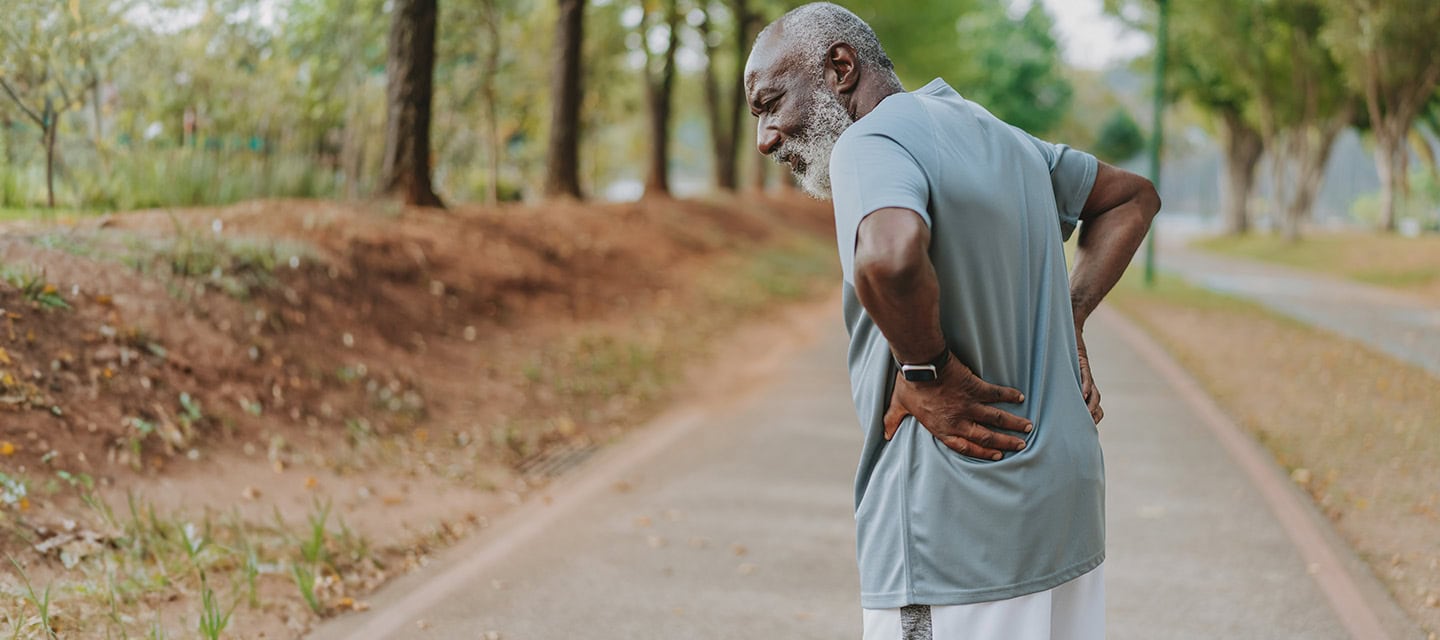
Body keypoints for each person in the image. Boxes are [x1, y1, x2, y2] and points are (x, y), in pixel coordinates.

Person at [743, 4, 1161, 639]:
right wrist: (1068, 313)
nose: (766, 138)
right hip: (1065, 518)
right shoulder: (1002, 137)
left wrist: (927, 370)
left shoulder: (869, 141)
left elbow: (888, 257)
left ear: (839, 68)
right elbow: (1132, 198)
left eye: (771, 104)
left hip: (956, 535)